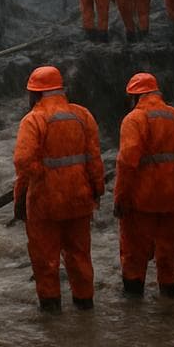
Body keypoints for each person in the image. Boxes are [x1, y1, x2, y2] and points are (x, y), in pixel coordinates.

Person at [12, 66, 104, 312]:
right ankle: (85, 306)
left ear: (35, 93)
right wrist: (98, 190)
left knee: (46, 260)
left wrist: (26, 193)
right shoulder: (82, 115)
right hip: (79, 198)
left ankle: (51, 312)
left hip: (46, 202)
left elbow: (22, 162)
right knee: (80, 256)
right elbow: (94, 159)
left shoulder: (34, 119)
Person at [113, 72, 174, 297]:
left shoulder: (135, 119)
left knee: (134, 255)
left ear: (135, 96)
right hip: (173, 198)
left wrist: (120, 199)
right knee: (167, 253)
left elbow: (127, 163)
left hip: (143, 200)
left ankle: (134, 307)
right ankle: (168, 302)